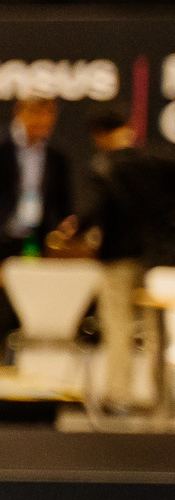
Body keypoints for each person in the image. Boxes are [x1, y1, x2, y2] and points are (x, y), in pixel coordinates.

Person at [86, 104, 175, 410]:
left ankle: (118, 395)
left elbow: (100, 212)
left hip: (117, 256)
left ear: (99, 135)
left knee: (118, 327)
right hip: (157, 259)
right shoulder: (158, 161)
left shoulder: (106, 167)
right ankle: (161, 395)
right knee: (157, 330)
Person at [0, 95, 73, 258]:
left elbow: (63, 202)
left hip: (36, 241)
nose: (43, 121)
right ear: (20, 113)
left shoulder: (56, 155)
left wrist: (66, 226)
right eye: (37, 114)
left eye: (48, 114)